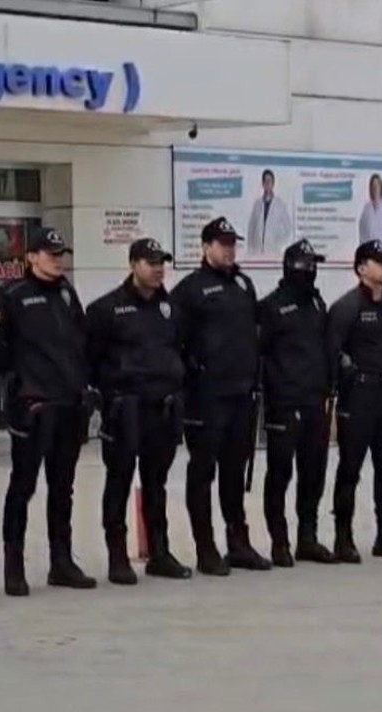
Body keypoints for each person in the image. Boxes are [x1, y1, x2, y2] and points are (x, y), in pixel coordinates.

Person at [0, 226, 97, 595]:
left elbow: (81, 343)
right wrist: (21, 377)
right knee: (23, 486)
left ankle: (61, 562)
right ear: (31, 257)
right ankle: (14, 566)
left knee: (63, 488)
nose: (58, 260)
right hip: (32, 407)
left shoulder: (66, 293)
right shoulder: (13, 295)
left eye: (61, 254)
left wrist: (84, 386)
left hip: (67, 404)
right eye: (51, 254)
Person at [86, 238, 193, 585]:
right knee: (119, 480)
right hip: (125, 408)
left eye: (162, 262)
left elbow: (181, 351)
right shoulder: (106, 309)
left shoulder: (171, 308)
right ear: (133, 264)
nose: (158, 268)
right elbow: (90, 360)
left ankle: (159, 552)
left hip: (163, 408)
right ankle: (117, 556)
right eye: (151, 262)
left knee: (156, 483)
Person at [172, 217, 271, 575]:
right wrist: (193, 376)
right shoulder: (190, 290)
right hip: (206, 398)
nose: (229, 250)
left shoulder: (243, 284)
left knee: (234, 472)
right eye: (222, 243)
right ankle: (205, 548)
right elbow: (174, 342)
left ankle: (238, 543)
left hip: (241, 394)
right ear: (205, 247)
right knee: (203, 473)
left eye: (232, 243)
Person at [327, 239, 382, 562]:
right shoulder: (347, 307)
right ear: (362, 268)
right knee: (350, 468)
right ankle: (343, 537)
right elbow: (333, 351)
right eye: (379, 262)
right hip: (359, 396)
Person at [257, 239, 337, 566]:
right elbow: (259, 354)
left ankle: (308, 537)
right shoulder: (271, 307)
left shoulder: (317, 303)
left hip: (315, 401)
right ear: (291, 267)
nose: (311, 270)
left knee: (313, 473)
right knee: (280, 474)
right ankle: (279, 541)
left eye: (314, 265)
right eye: (306, 265)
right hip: (284, 404)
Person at [247, 169, 295, 257]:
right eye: (265, 181)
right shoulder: (257, 204)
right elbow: (251, 228)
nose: (267, 183)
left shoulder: (280, 205)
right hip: (257, 251)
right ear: (262, 184)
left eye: (269, 181)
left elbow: (288, 228)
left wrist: (278, 242)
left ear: (273, 184)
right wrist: (250, 247)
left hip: (273, 250)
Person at [357, 174, 382, 247]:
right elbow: (362, 229)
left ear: (381, 187)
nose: (375, 189)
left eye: (377, 186)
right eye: (373, 187)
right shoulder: (367, 207)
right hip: (369, 248)